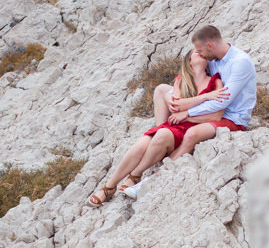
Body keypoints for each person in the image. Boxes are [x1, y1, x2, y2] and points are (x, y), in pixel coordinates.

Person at [87, 49, 229, 206]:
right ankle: (108, 187)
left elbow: (217, 115)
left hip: (192, 126)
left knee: (162, 134)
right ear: (189, 61)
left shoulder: (215, 82)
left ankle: (135, 175)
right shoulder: (181, 81)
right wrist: (205, 97)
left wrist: (187, 112)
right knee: (141, 143)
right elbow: (176, 108)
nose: (200, 52)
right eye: (196, 52)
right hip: (174, 123)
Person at [167, 24, 257, 160]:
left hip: (232, 118)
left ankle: (165, 167)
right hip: (210, 112)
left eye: (200, 50)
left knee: (192, 134)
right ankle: (164, 134)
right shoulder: (212, 60)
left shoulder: (240, 62)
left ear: (210, 45)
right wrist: (170, 96)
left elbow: (223, 101)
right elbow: (192, 74)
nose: (200, 54)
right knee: (162, 90)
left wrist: (187, 113)